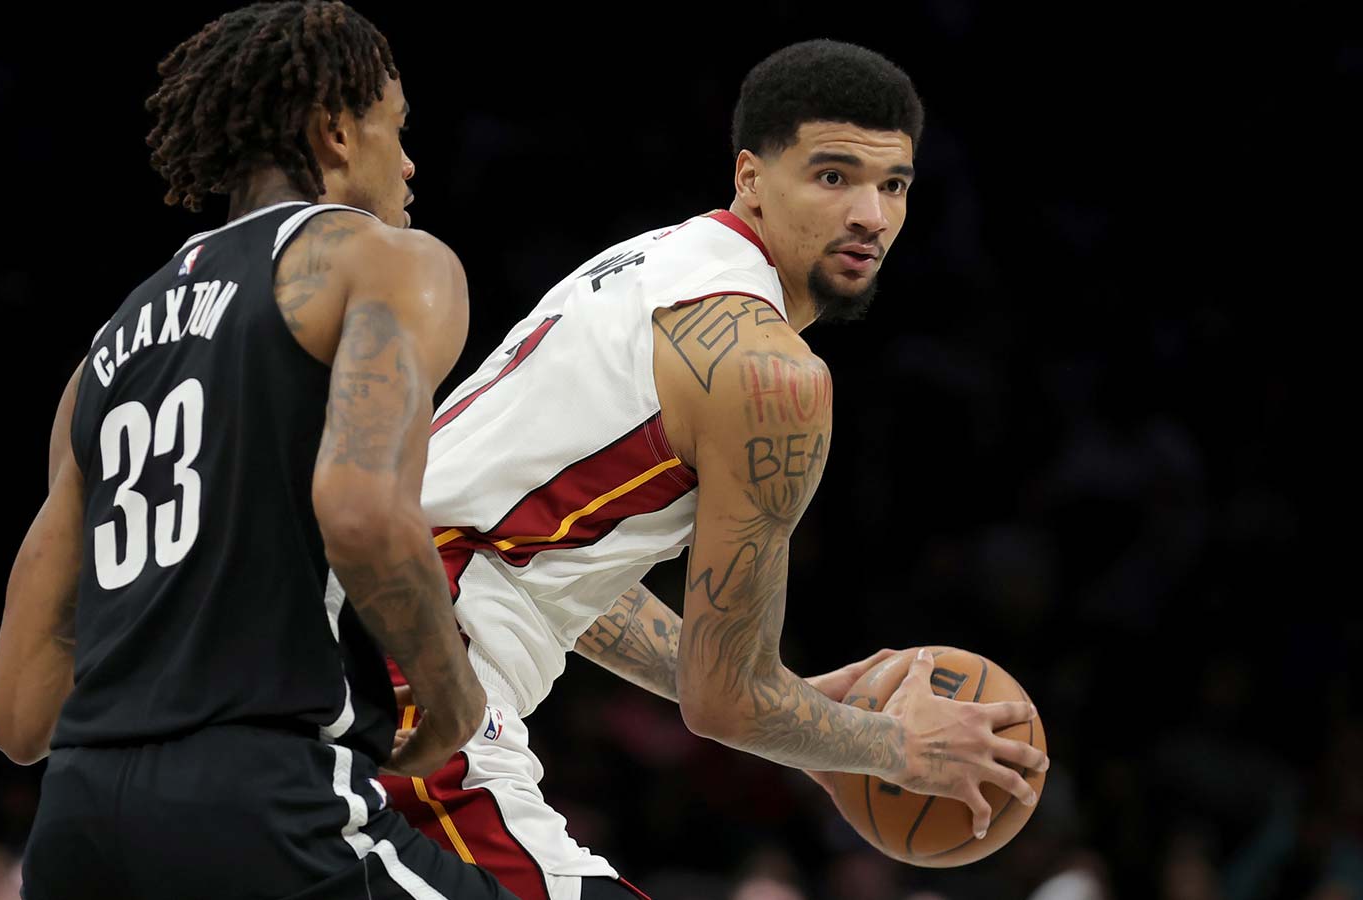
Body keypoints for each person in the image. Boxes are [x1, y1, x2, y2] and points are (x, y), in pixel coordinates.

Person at [379, 39, 1051, 900]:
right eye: (834, 176)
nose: (871, 216)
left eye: (894, 185)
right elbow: (725, 702)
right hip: (421, 671)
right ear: (750, 177)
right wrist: (899, 749)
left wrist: (804, 713)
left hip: (350, 636)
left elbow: (544, 566)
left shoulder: (643, 264)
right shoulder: (772, 373)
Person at [0, 4, 516, 898]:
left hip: (78, 823)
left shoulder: (102, 355)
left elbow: (18, 712)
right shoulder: (384, 260)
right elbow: (361, 510)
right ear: (336, 131)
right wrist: (453, 696)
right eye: (398, 129)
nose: (409, 163)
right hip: (261, 799)